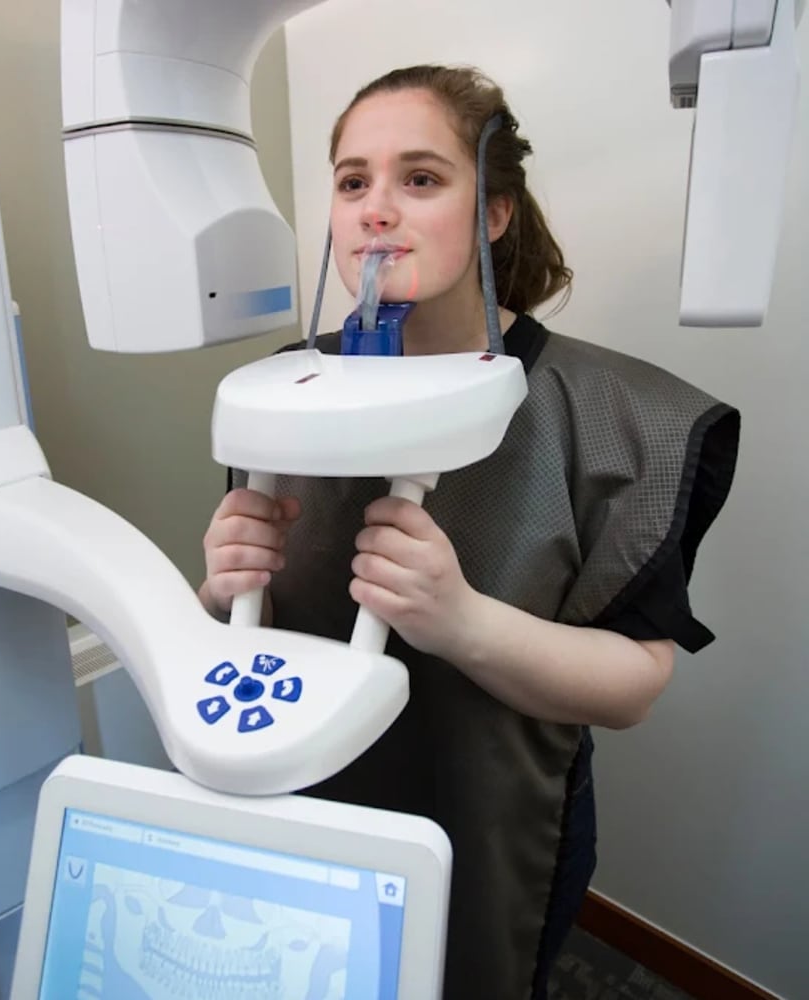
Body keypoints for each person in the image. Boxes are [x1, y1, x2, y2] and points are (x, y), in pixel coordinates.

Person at [198, 64, 740, 999]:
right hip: (307, 802)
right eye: (352, 181)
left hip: (490, 827)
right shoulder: (282, 394)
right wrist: (216, 585)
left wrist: (461, 622)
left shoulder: (613, 419)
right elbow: (241, 628)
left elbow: (631, 689)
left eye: (420, 179)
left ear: (493, 213)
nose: (377, 210)